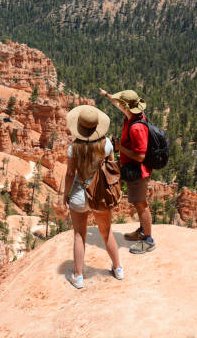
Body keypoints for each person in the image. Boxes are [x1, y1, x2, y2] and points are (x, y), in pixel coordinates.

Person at [63, 104, 123, 289]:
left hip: (80, 194)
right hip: (100, 195)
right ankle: (118, 268)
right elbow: (111, 169)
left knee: (79, 235)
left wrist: (65, 195)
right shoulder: (107, 145)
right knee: (107, 233)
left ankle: (78, 277)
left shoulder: (74, 148)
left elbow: (70, 174)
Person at [100, 88, 156, 254]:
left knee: (141, 205)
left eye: (122, 104)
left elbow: (140, 156)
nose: (120, 106)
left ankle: (148, 240)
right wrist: (107, 95)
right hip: (134, 169)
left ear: (127, 106)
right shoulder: (132, 116)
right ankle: (142, 232)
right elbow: (117, 104)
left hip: (139, 171)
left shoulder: (136, 128)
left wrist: (119, 147)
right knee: (138, 203)